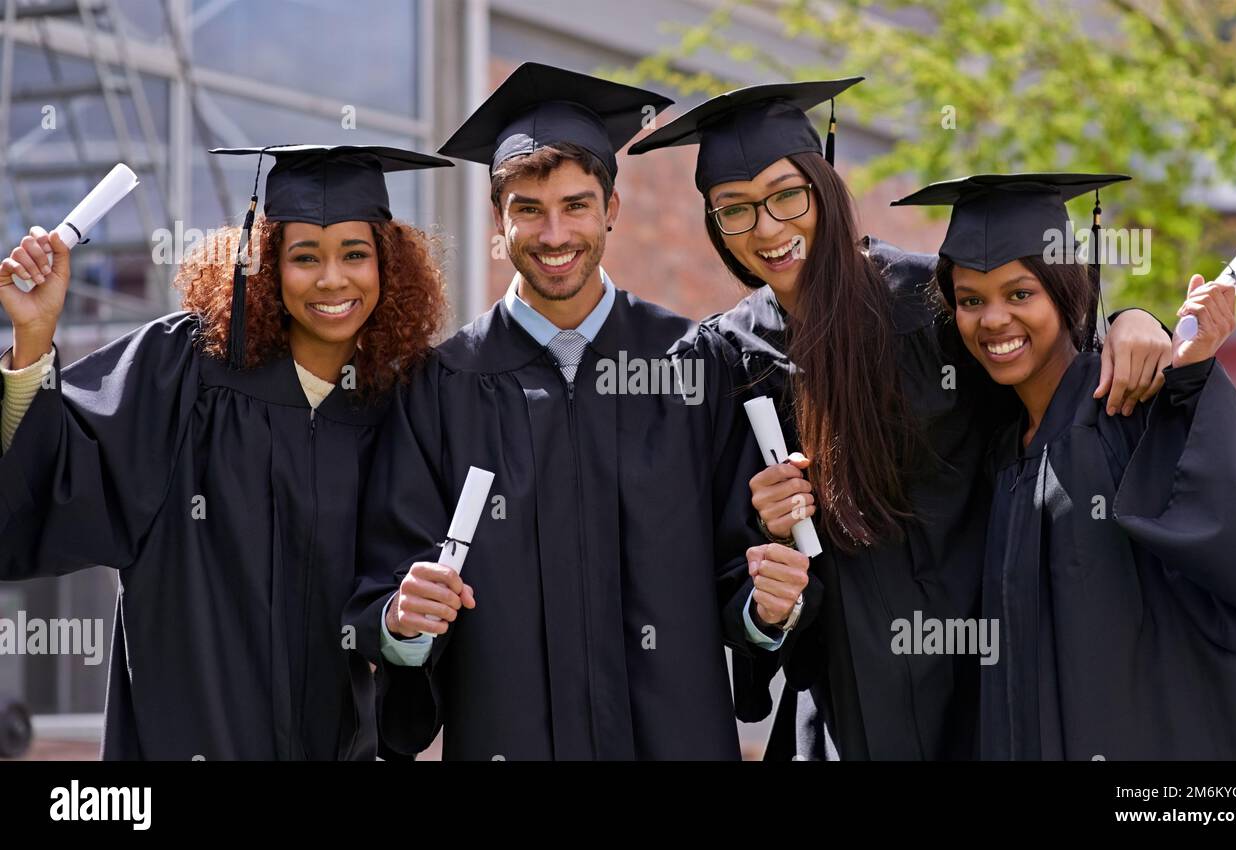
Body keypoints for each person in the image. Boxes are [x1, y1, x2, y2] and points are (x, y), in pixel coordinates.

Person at [630, 82, 1175, 759]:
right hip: (840, 711)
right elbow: (729, 585)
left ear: (823, 184)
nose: (767, 229)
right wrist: (772, 570)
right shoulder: (724, 362)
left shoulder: (936, 305)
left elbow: (1051, 369)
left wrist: (1132, 319)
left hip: (987, 685)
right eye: (733, 211)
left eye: (785, 195)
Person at [344, 63, 808, 761]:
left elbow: (741, 569)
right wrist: (401, 621)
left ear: (611, 210)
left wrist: (767, 606)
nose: (554, 233)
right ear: (498, 219)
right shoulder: (441, 387)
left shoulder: (694, 365)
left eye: (576, 205)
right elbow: (391, 586)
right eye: (528, 209)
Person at [0, 144, 452, 759]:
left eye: (355, 254)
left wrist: (404, 625)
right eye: (304, 256)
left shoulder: (396, 404)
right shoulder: (183, 373)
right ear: (264, 263)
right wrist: (33, 338)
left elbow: (395, 600)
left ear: (388, 267)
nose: (331, 278)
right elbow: (62, 478)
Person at [901, 172, 1236, 758]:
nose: (993, 320)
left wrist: (1187, 378)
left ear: (1067, 292)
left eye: (1020, 294)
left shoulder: (1131, 405)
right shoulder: (1000, 445)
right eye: (970, 300)